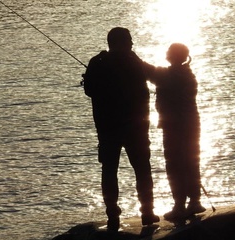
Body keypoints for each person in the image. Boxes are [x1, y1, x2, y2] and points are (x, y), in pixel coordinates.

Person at [82, 27, 159, 231]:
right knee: (142, 169)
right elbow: (155, 76)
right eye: (130, 40)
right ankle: (147, 213)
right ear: (123, 42)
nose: (133, 44)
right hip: (136, 127)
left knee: (109, 171)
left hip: (107, 127)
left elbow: (89, 90)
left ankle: (113, 216)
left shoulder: (97, 63)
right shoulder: (134, 61)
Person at [148, 43, 206, 221]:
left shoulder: (167, 75)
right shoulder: (188, 74)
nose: (166, 53)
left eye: (168, 51)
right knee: (191, 161)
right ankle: (194, 201)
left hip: (174, 126)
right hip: (191, 123)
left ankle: (180, 205)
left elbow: (146, 70)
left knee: (174, 164)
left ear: (172, 56)